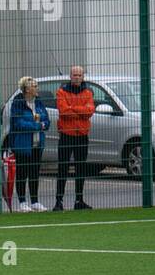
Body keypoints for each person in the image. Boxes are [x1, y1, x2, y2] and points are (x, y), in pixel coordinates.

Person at [55, 65, 95, 211]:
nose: (77, 77)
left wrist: (73, 108)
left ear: (83, 76)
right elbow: (63, 111)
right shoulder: (61, 91)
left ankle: (79, 200)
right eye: (74, 75)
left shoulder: (88, 92)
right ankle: (59, 201)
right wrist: (80, 110)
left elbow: (90, 111)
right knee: (63, 168)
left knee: (81, 168)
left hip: (82, 135)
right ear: (70, 76)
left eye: (79, 75)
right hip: (66, 134)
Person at [8, 76, 50, 211]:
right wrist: (37, 126)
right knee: (22, 172)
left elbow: (46, 120)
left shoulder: (38, 102)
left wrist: (42, 124)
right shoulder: (18, 103)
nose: (37, 88)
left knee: (34, 172)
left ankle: (35, 201)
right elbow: (18, 123)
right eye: (34, 86)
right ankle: (22, 202)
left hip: (37, 143)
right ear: (26, 89)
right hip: (23, 144)